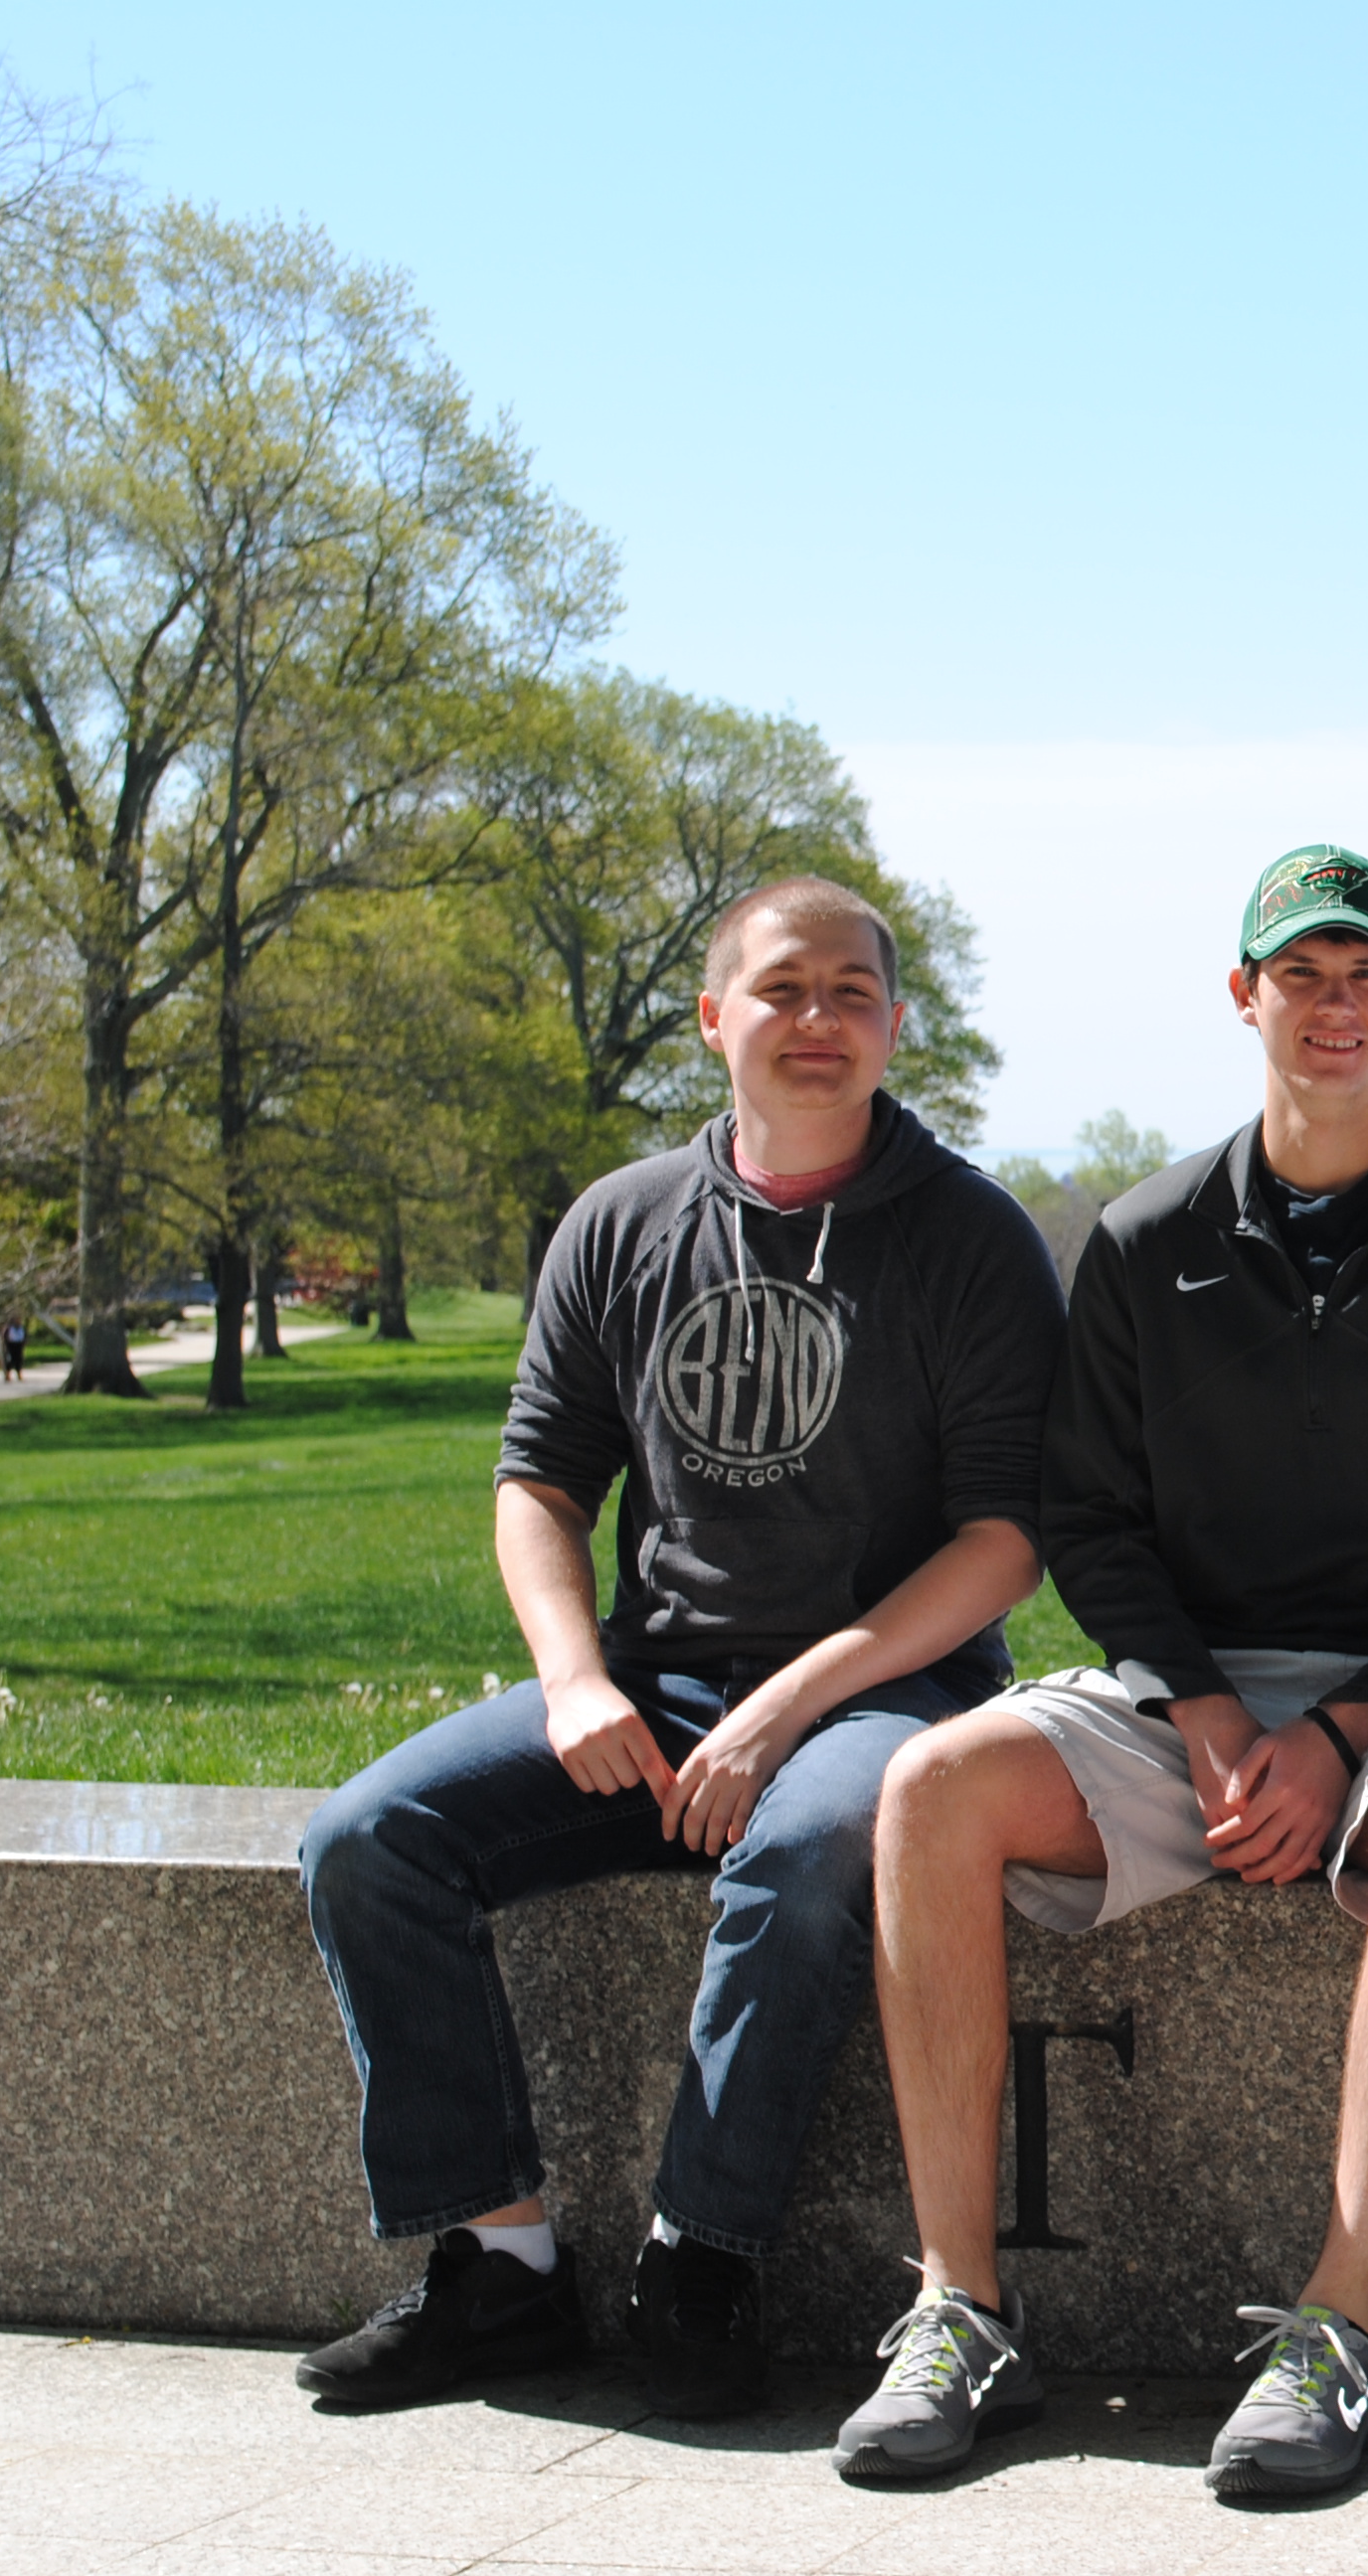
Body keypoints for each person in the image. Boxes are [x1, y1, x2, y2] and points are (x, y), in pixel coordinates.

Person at [828, 848, 1368, 2496]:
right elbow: (1091, 1523)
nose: (1335, 1009)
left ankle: (1336, 2324)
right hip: (1195, 1694)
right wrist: (1197, 1706)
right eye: (1301, 976)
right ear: (1241, 992)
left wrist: (1341, 1728)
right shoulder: (1143, 1238)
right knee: (928, 1785)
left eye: (1366, 977)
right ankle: (959, 2307)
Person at [294, 878, 1064, 2416]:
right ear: (716, 1018)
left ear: (894, 1027)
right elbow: (539, 1483)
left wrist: (788, 1705)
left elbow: (1005, 1542)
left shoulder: (970, 1236)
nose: (820, 1020)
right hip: (655, 1683)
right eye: (784, 989)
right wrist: (576, 1681)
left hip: (887, 1687)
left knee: (819, 1839)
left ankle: (696, 2261)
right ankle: (501, 2272)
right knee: (369, 1842)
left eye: (855, 993)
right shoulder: (625, 1218)